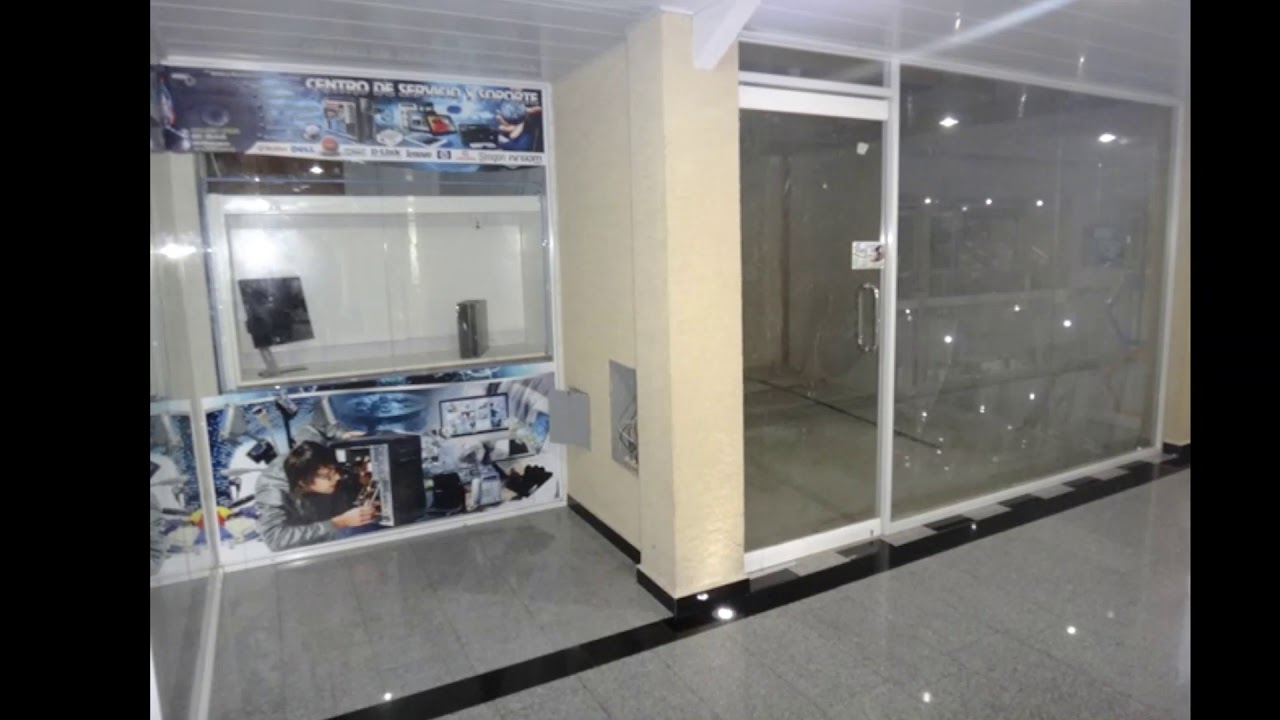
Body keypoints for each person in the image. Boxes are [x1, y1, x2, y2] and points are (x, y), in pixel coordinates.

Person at [254, 433, 378, 552]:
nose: (337, 477)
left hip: (329, 502)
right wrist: (339, 522)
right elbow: (275, 539)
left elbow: (316, 428)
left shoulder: (310, 452)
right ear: (303, 482)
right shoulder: (272, 492)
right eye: (328, 476)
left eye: (335, 472)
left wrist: (341, 435)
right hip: (315, 522)